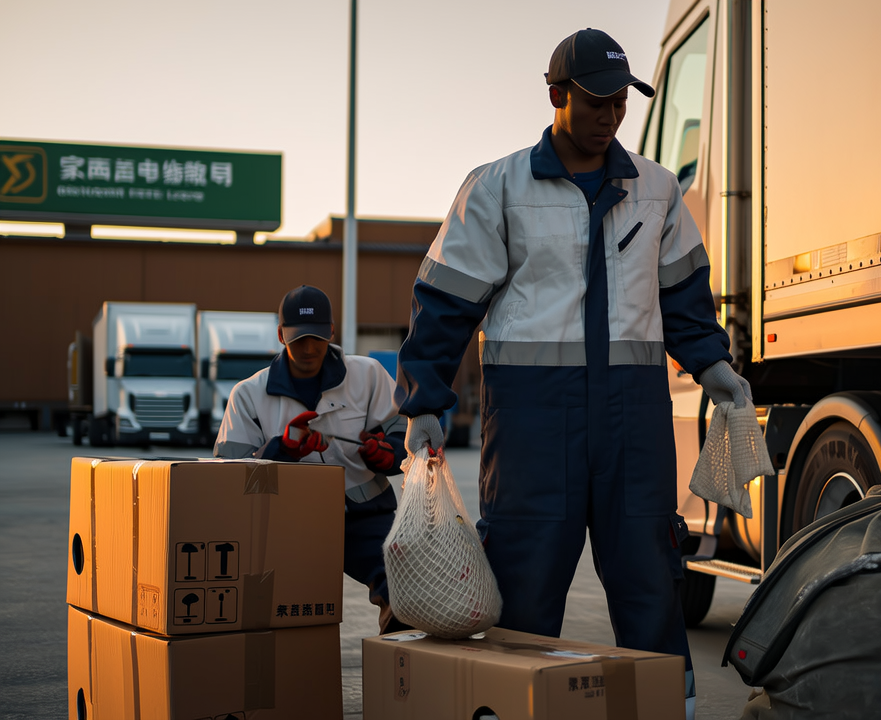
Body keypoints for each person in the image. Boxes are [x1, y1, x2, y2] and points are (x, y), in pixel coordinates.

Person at [395, 29, 753, 718]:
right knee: (526, 584)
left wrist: (714, 366)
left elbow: (682, 295)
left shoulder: (656, 190)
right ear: (557, 95)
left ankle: (663, 708)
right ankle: (510, 707)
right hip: (534, 421)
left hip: (632, 418)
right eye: (595, 101)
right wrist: (423, 403)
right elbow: (443, 305)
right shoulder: (495, 188)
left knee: (651, 576)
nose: (610, 115)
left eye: (619, 101)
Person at [214, 284, 411, 633]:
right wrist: (281, 450)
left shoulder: (367, 376)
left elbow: (402, 436)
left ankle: (400, 673)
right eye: (298, 339)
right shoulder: (248, 395)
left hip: (365, 520)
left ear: (331, 332)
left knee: (406, 587)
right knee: (278, 609)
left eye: (317, 338)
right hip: (286, 526)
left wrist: (387, 455)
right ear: (280, 335)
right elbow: (226, 477)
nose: (308, 348)